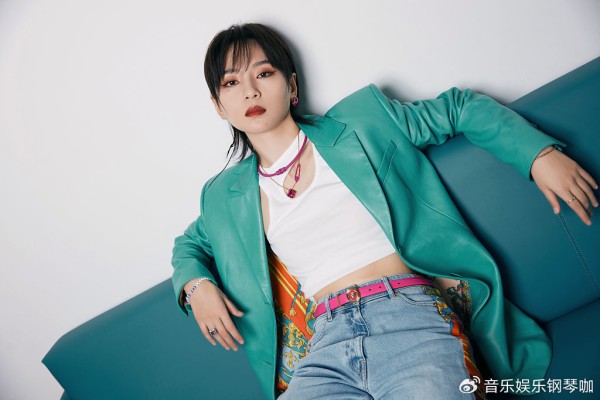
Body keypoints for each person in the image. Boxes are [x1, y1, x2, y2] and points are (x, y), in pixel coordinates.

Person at [171, 23, 598, 400]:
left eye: (264, 73)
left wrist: (538, 155)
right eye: (231, 82)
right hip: (324, 348)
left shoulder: (363, 121)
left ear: (292, 85)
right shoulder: (224, 196)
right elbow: (189, 245)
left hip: (410, 316)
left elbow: (458, 108)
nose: (250, 91)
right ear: (219, 105)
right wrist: (196, 286)